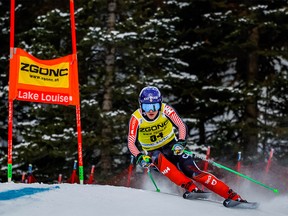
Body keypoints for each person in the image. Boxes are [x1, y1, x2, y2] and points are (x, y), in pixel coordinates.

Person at [127, 86, 246, 202]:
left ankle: (233, 196)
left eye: (155, 106)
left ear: (160, 104)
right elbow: (131, 142)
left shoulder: (166, 110)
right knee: (157, 156)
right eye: (147, 107)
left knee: (193, 171)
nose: (151, 110)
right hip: (154, 153)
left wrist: (181, 142)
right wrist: (140, 157)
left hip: (171, 147)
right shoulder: (136, 118)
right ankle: (191, 188)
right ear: (141, 106)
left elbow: (181, 125)